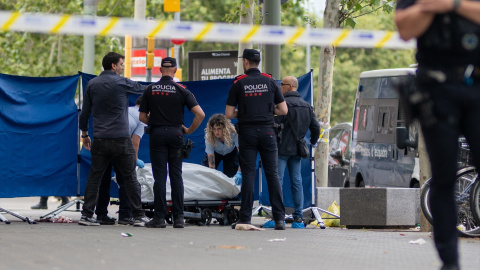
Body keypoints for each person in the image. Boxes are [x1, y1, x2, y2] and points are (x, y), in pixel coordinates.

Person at [395, 1, 480, 269]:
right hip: (436, 91)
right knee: (443, 178)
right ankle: (449, 263)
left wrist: (449, 5)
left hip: (476, 87)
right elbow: (406, 28)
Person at [79, 52, 149, 227]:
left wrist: (85, 135)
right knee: (130, 177)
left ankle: (87, 215)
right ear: (113, 66)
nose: (123, 66)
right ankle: (138, 216)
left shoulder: (92, 84)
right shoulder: (122, 82)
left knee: (95, 177)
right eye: (121, 64)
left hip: (100, 139)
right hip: (121, 139)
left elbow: (85, 113)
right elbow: (144, 89)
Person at [225, 48, 288, 230]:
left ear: (245, 62)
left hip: (247, 134)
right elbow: (283, 110)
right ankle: (279, 220)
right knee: (272, 174)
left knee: (248, 174)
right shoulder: (270, 81)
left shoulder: (238, 83)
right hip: (268, 132)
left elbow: (229, 114)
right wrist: (268, 112)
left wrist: (244, 113)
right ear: (258, 62)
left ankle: (245, 218)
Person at [139, 57, 205, 229]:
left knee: (159, 176)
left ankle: (159, 217)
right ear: (175, 70)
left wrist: (156, 122)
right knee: (176, 175)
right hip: (176, 134)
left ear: (160, 70)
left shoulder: (150, 89)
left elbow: (142, 117)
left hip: (158, 134)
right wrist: (188, 130)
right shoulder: (182, 90)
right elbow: (200, 114)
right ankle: (178, 217)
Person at [273, 76, 319, 229]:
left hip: (281, 149)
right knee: (297, 181)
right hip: (298, 150)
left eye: (282, 84)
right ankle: (298, 217)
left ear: (291, 86)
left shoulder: (282, 105)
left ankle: (277, 217)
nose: (280, 87)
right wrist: (312, 141)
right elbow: (316, 127)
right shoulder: (306, 106)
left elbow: (274, 124)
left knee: (278, 181)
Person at [94, 96, 147, 226]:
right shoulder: (142, 118)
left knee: (103, 181)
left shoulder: (127, 110)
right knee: (125, 181)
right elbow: (135, 142)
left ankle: (101, 214)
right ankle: (125, 215)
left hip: (103, 143)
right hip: (120, 146)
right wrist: (134, 161)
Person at [201, 114, 240, 178]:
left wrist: (239, 172)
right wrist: (212, 174)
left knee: (231, 177)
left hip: (231, 153)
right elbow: (210, 156)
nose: (216, 132)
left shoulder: (233, 133)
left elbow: (242, 154)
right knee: (206, 173)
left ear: (225, 128)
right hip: (215, 152)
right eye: (214, 129)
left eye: (219, 129)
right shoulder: (209, 136)